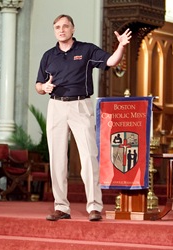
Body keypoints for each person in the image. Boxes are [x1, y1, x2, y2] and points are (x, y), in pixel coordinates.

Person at [35, 14, 132, 221]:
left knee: (89, 156)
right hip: (56, 106)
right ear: (55, 31)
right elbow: (38, 85)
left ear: (73, 29)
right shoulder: (48, 55)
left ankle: (94, 207)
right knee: (57, 158)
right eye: (57, 27)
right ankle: (61, 207)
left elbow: (111, 61)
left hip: (80, 105)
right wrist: (44, 87)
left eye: (65, 26)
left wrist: (121, 46)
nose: (61, 30)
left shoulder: (86, 50)